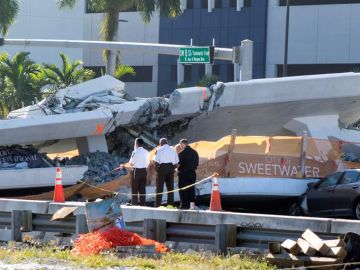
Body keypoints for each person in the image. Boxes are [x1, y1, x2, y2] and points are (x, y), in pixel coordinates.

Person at [154, 138, 179, 207]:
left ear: (161, 143)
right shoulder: (173, 150)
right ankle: (170, 205)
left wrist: (157, 172)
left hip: (162, 168)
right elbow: (176, 163)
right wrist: (173, 170)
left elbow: (156, 162)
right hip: (171, 168)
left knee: (159, 188)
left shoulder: (159, 150)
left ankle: (158, 205)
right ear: (166, 142)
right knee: (170, 188)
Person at [177, 138, 199, 209]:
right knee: (191, 190)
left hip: (183, 174)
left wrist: (177, 169)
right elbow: (196, 164)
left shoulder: (182, 153)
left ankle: (184, 206)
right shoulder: (195, 152)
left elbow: (178, 164)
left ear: (182, 144)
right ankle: (192, 206)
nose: (180, 146)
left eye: (180, 145)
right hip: (192, 173)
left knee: (183, 190)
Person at [129, 138, 150, 206]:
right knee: (142, 189)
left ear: (137, 144)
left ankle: (134, 204)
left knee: (134, 189)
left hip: (136, 171)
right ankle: (142, 204)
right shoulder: (147, 152)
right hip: (144, 171)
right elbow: (148, 163)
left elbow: (131, 163)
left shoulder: (135, 152)